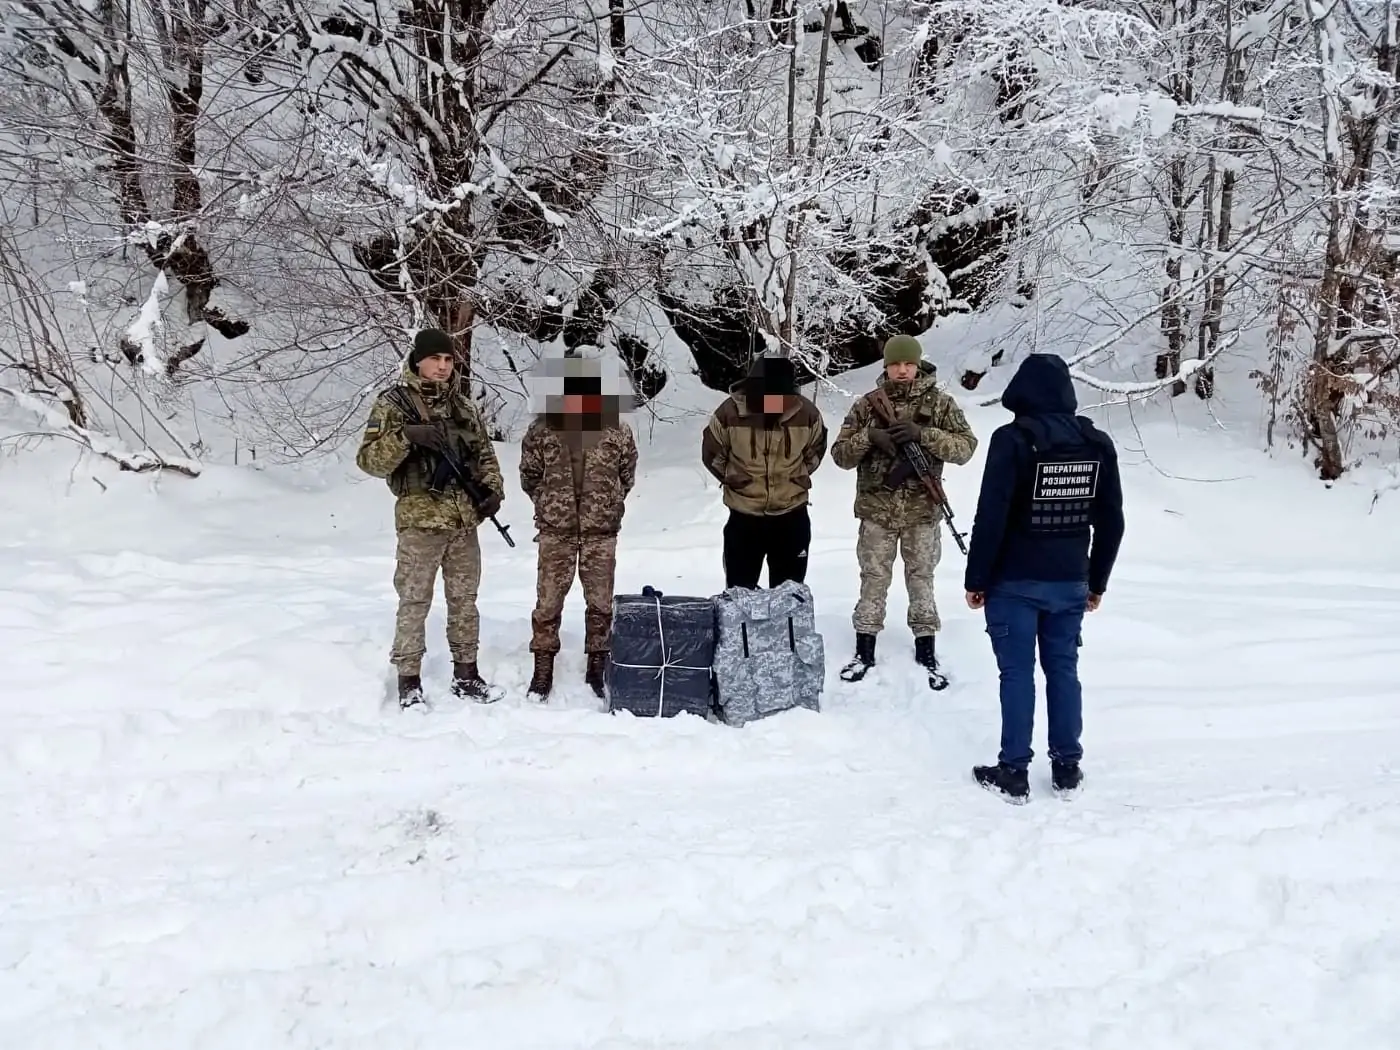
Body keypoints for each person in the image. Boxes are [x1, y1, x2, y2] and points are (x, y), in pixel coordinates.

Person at [963, 353, 1125, 802]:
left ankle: (1013, 772)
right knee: (1063, 671)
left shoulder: (1012, 440)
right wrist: (1097, 582)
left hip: (1014, 582)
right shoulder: (1096, 443)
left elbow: (991, 516)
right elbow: (1112, 520)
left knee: (1017, 674)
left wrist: (976, 578)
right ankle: (1067, 769)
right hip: (1070, 580)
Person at [356, 328, 506, 709]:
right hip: (420, 523)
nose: (442, 366)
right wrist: (406, 437)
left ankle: (467, 675)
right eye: (435, 359)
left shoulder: (464, 407)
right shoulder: (393, 404)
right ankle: (409, 682)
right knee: (414, 601)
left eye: (448, 359)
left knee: (465, 601)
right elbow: (369, 461)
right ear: (418, 360)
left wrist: (492, 492)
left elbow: (486, 456)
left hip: (463, 522)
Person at [830, 334, 978, 689]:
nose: (901, 370)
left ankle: (926, 649)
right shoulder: (867, 406)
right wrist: (869, 437)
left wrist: (923, 435)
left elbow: (965, 448)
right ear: (886, 366)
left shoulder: (940, 403)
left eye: (908, 363)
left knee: (921, 579)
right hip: (877, 512)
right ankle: (864, 648)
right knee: (873, 579)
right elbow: (840, 455)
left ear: (918, 364)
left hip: (922, 513)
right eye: (895, 364)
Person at [519, 365, 637, 703]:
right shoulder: (543, 429)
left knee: (600, 602)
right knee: (548, 602)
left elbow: (626, 475)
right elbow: (529, 475)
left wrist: (607, 503)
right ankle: (543, 667)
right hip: (556, 531)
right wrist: (549, 503)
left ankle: (597, 665)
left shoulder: (616, 430)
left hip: (601, 531)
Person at [701, 354, 827, 589]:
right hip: (744, 518)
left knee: (789, 594)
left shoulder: (807, 413)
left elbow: (815, 452)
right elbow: (713, 454)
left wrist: (793, 479)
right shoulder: (729, 412)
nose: (773, 402)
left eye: (780, 397)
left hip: (792, 516)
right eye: (767, 396)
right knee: (740, 593)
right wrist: (736, 480)